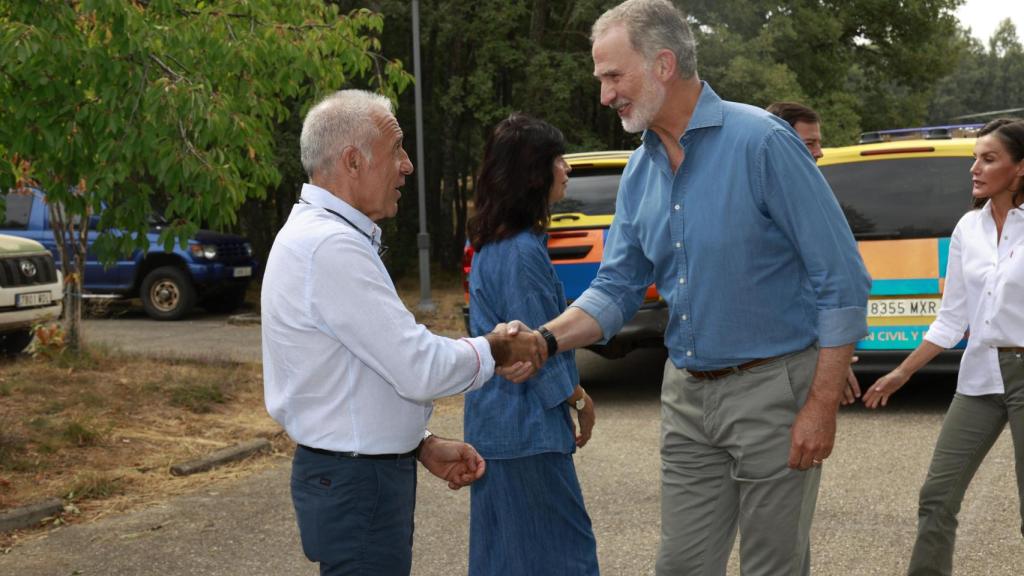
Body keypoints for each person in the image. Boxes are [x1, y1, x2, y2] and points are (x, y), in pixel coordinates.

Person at [523, 1, 872, 574]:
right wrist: (542, 341)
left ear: (663, 64)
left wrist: (820, 402)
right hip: (686, 395)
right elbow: (617, 287)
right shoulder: (640, 170)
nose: (606, 95)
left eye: (614, 76)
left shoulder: (763, 143)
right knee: (681, 565)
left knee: (772, 566)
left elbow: (841, 279)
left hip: (773, 391)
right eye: (602, 80)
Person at [261, 89, 546, 576]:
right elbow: (418, 367)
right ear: (353, 161)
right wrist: (496, 348)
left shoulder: (322, 237)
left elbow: (360, 374)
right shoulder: (330, 247)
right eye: (397, 150)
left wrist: (420, 441)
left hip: (353, 476)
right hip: (357, 482)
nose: (408, 166)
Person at [862, 118, 1024, 575]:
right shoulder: (967, 229)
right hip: (979, 378)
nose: (974, 167)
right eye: (975, 157)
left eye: (989, 158)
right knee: (936, 497)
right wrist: (902, 371)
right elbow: (953, 316)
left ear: (1019, 169)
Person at [464, 114, 600, 576]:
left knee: (506, 559)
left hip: (497, 431)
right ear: (533, 173)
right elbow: (537, 349)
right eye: (557, 159)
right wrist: (577, 398)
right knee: (566, 557)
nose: (566, 168)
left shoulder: (490, 245)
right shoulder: (522, 251)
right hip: (526, 435)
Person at [767, 100, 864, 404]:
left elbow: (825, 282)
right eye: (810, 143)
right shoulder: (763, 201)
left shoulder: (807, 191)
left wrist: (830, 358)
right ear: (781, 142)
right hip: (773, 364)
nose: (820, 152)